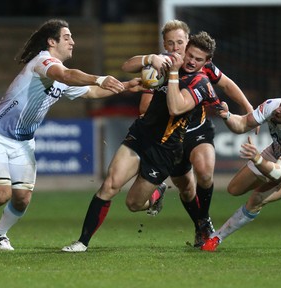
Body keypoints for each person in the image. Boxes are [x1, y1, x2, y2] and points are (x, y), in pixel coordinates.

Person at [0, 18, 140, 251]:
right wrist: (99, 77)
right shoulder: (43, 61)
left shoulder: (63, 76)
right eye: (66, 37)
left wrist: (129, 85)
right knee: (0, 195)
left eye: (72, 37)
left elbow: (91, 92)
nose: (72, 41)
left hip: (24, 142)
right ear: (51, 42)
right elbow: (66, 75)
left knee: (22, 198)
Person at [61, 31, 223, 252]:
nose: (192, 61)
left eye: (199, 59)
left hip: (165, 148)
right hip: (141, 135)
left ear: (207, 62)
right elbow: (127, 66)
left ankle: (157, 194)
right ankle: (82, 242)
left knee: (133, 204)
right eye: (190, 55)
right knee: (110, 184)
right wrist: (150, 59)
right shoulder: (168, 63)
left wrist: (173, 74)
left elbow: (176, 107)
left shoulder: (201, 83)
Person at [122, 19, 255, 247]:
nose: (176, 48)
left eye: (180, 43)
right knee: (186, 187)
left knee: (204, 172)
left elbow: (227, 84)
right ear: (165, 44)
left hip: (197, 130)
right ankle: (199, 225)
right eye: (171, 43)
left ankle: (204, 221)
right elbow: (144, 105)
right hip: (173, 136)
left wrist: (248, 107)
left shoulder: (201, 64)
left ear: (187, 42)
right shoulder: (162, 66)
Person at [201, 90, 281, 251]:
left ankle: (215, 238)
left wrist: (257, 159)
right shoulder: (273, 105)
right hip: (276, 151)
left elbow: (279, 172)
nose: (278, 110)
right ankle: (264, 179)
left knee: (257, 197)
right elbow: (243, 124)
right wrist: (227, 116)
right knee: (234, 189)